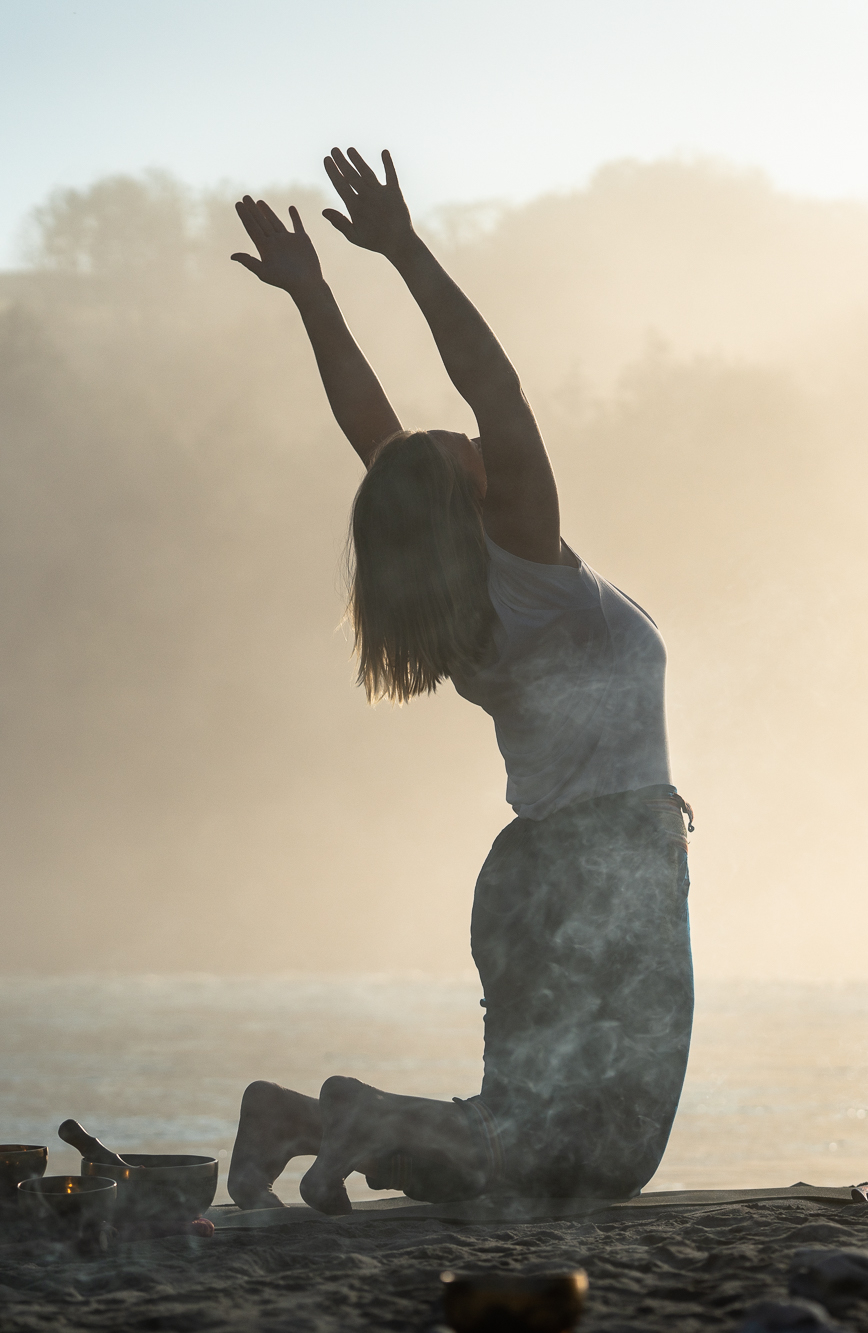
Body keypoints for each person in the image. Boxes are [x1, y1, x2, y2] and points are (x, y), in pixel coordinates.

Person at [224, 148, 693, 1213]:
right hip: (604, 868)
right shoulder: (523, 557)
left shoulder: (455, 575)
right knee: (603, 1156)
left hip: (539, 873)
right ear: (458, 491)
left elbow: (373, 430)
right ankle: (343, 1118)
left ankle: (303, 1120)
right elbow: (496, 382)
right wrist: (404, 251)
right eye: (451, 440)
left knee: (526, 1135)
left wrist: (313, 297)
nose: (465, 430)